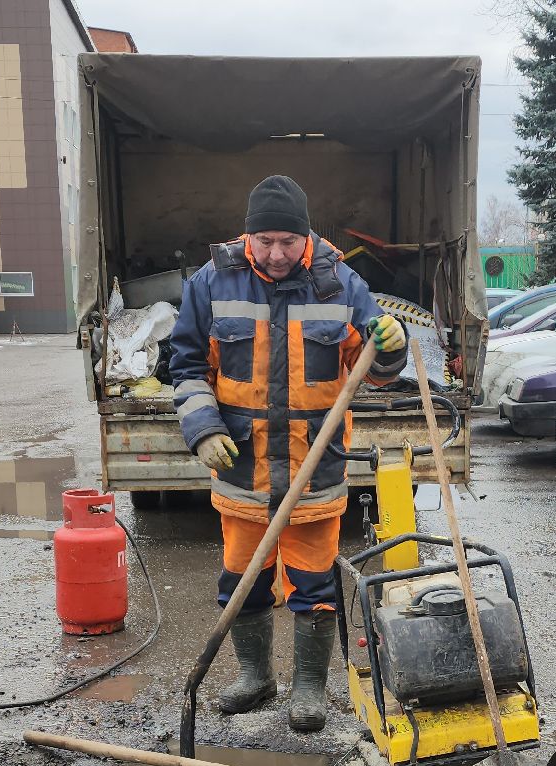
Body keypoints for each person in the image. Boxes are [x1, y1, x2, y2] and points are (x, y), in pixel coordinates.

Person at [167, 175, 411, 731]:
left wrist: (390, 352)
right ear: (247, 236)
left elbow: (374, 373)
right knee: (242, 580)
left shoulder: (341, 285)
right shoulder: (213, 281)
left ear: (307, 238)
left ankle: (308, 687)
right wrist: (203, 429)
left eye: (287, 242)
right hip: (242, 469)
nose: (276, 255)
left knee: (314, 584)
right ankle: (255, 678)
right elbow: (184, 367)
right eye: (265, 242)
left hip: (314, 467)